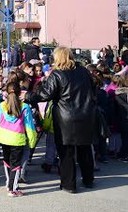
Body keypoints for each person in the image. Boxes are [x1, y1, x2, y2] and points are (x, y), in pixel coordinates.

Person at [33, 46, 97, 193]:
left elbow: (45, 94)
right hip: (86, 114)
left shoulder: (57, 74)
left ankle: (69, 184)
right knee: (85, 149)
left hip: (65, 118)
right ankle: (88, 179)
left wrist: (29, 97)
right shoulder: (84, 72)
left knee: (66, 153)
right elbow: (93, 90)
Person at [0, 82, 38, 197]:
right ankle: (13, 188)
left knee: (7, 162)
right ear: (19, 92)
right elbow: (29, 126)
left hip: (4, 137)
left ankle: (8, 183)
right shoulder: (24, 107)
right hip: (17, 139)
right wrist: (32, 140)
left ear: (6, 92)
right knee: (16, 165)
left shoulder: (2, 106)